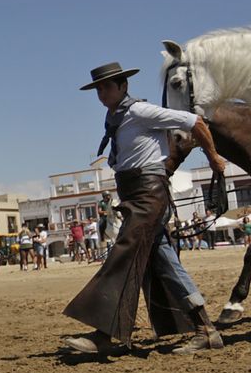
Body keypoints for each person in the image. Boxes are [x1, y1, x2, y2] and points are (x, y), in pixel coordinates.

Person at [62, 61, 229, 356]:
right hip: (134, 194)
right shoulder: (114, 117)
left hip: (149, 194)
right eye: (98, 88)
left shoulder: (139, 111)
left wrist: (214, 158)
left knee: (124, 255)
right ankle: (205, 329)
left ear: (123, 86)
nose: (102, 92)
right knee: (163, 261)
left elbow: (195, 122)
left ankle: (104, 334)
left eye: (107, 86)